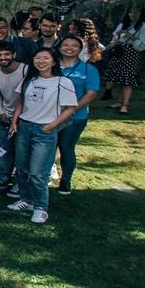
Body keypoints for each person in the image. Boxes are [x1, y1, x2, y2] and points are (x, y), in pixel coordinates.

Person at [9, 47, 79, 224]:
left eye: (45, 58)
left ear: (54, 61)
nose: (41, 61)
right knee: (21, 167)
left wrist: (52, 125)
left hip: (44, 130)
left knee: (38, 172)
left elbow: (70, 108)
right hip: (24, 126)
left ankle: (41, 207)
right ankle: (26, 199)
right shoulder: (30, 80)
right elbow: (21, 102)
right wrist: (14, 121)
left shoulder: (62, 82)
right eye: (37, 58)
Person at [56, 34, 100, 195]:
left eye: (74, 45)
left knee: (66, 147)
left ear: (80, 49)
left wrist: (72, 109)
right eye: (65, 45)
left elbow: (91, 93)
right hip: (50, 115)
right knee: (47, 148)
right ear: (59, 48)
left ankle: (66, 180)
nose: (69, 48)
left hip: (75, 117)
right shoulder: (52, 66)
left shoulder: (89, 69)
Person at [0, 41, 26, 195]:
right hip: (3, 119)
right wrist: (0, 112)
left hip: (23, 118)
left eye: (7, 54)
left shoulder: (25, 70)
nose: (3, 57)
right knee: (1, 149)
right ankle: (2, 177)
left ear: (14, 55)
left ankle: (19, 182)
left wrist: (18, 116)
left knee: (21, 152)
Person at [105, 9, 145, 114]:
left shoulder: (143, 27)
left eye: (136, 12)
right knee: (117, 76)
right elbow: (115, 37)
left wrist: (131, 36)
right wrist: (114, 41)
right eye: (131, 12)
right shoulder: (123, 24)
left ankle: (125, 105)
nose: (133, 15)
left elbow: (142, 46)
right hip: (119, 51)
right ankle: (119, 101)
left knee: (127, 78)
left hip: (131, 53)